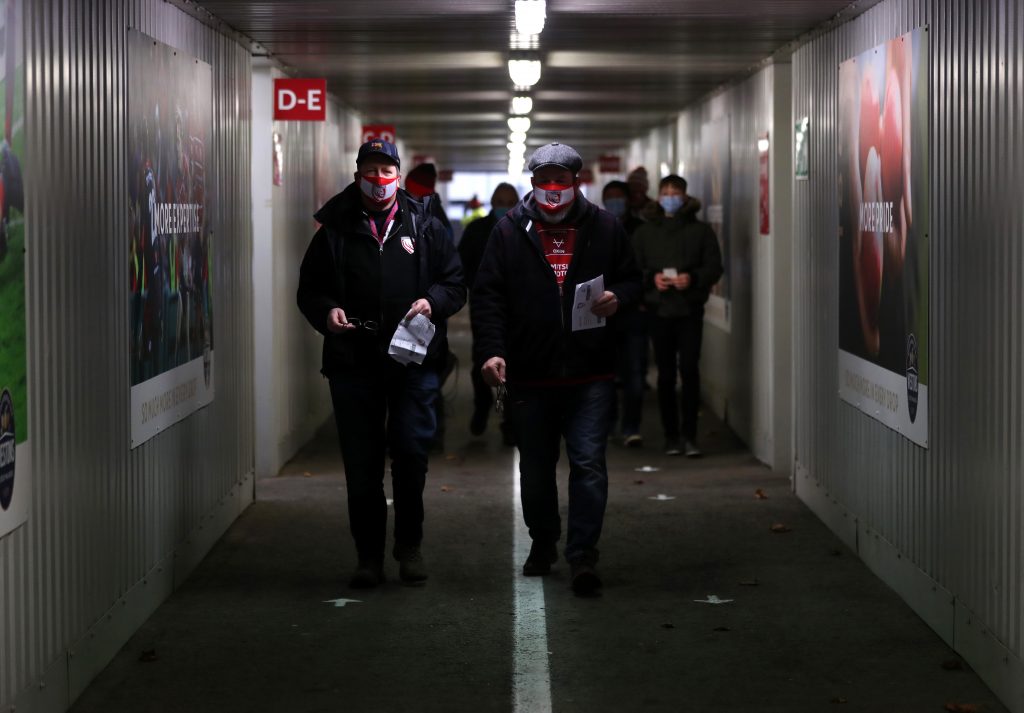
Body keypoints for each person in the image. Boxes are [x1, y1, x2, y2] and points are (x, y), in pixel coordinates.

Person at [471, 142, 642, 595]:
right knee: (537, 467)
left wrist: (618, 298)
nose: (551, 190)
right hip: (531, 373)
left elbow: (631, 278)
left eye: (559, 181)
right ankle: (543, 541)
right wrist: (492, 351)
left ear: (575, 183)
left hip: (590, 373)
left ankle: (583, 554)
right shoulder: (509, 232)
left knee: (588, 464)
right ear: (532, 183)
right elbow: (488, 296)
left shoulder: (605, 228)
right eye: (544, 181)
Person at [297, 139, 466, 589]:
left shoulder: (425, 225)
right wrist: (326, 312)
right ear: (357, 176)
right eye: (370, 172)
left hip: (413, 361)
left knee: (411, 454)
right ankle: (368, 557)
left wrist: (432, 301)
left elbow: (455, 282)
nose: (378, 180)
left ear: (398, 175)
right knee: (362, 463)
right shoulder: (334, 227)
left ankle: (409, 547)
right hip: (354, 361)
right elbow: (309, 290)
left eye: (386, 171)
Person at [632, 174, 722, 457]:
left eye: (676, 192)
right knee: (666, 375)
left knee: (690, 371)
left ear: (685, 197)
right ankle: (671, 436)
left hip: (689, 310)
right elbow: (632, 270)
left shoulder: (701, 232)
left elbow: (714, 267)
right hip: (658, 311)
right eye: (666, 192)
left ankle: (689, 436)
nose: (670, 197)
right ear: (658, 197)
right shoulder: (644, 233)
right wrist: (652, 279)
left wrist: (692, 279)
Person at [457, 182, 519, 440]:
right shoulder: (476, 230)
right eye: (499, 202)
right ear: (492, 203)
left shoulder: (523, 230)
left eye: (509, 202)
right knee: (483, 359)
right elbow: (462, 265)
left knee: (514, 363)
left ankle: (510, 421)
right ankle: (482, 407)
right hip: (485, 305)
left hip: (518, 308)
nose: (503, 207)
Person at [602, 180, 647, 447]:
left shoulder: (642, 230)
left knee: (634, 374)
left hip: (634, 314)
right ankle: (607, 425)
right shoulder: (598, 229)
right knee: (605, 374)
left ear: (628, 200)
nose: (614, 202)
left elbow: (644, 270)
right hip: (604, 315)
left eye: (619, 197)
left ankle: (631, 426)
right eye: (610, 198)